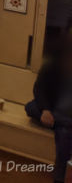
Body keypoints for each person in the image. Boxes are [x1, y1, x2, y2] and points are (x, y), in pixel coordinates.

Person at [25, 39, 72, 182]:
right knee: (30, 107)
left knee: (64, 134)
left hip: (67, 113)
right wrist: (46, 109)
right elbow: (39, 88)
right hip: (53, 109)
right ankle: (65, 122)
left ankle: (59, 178)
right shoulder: (51, 66)